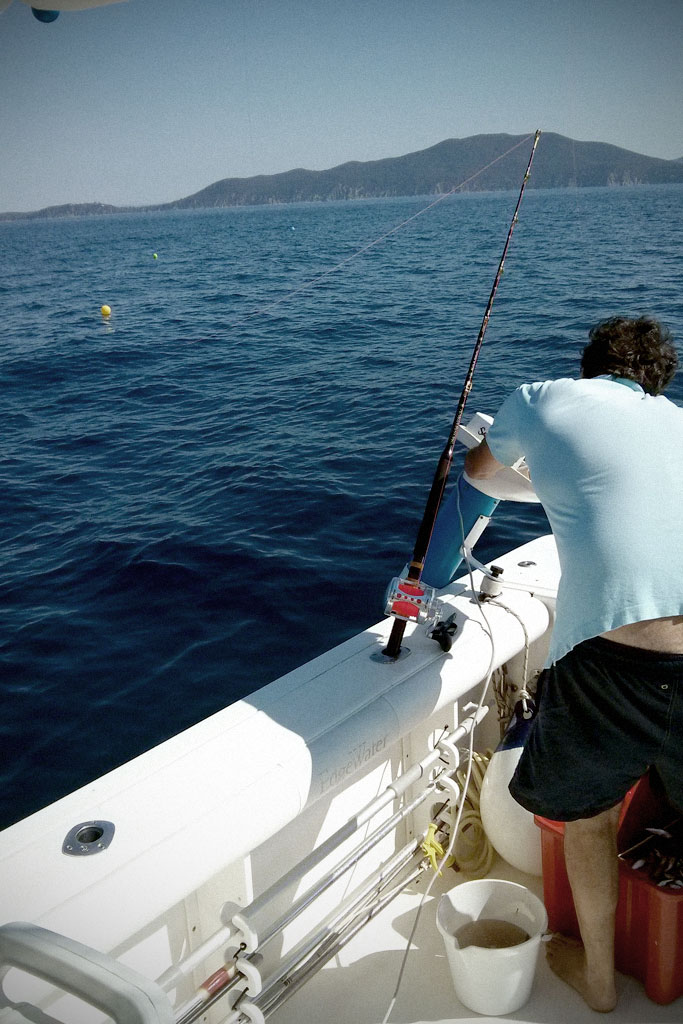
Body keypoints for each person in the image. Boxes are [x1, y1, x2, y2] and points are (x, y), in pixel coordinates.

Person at [464, 316, 683, 1013]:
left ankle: (596, 984)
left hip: (611, 662)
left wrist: (545, 482)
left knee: (586, 819)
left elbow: (479, 474)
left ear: (589, 368)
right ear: (657, 383)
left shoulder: (541, 397)